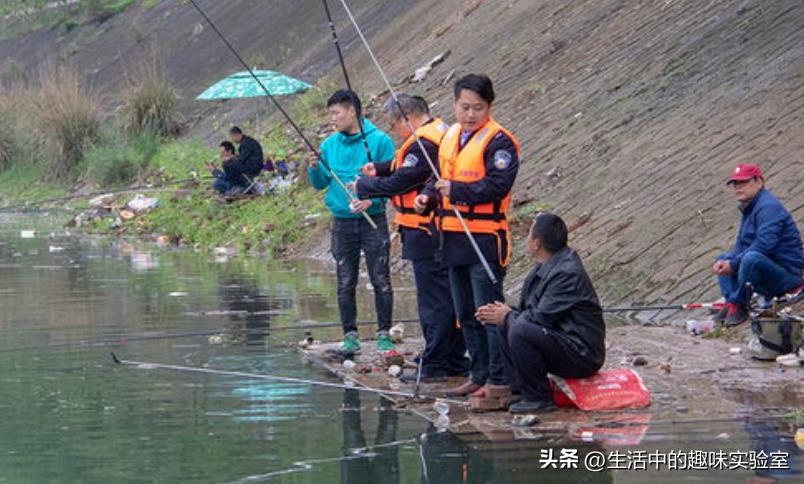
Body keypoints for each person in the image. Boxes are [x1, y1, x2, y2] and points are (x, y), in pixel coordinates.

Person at [414, 74, 520, 397]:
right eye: (464, 107)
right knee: (465, 313)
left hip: (484, 239)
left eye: (478, 108)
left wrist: (456, 191)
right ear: (454, 105)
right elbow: (439, 179)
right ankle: (478, 372)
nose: (470, 114)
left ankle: (499, 380)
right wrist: (427, 197)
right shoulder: (451, 136)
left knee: (488, 310)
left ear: (489, 106)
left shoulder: (500, 142)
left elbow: (498, 185)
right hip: (452, 238)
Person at [354, 94, 468, 381]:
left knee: (434, 298)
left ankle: (439, 361)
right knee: (443, 294)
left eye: (394, 125)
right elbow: (408, 168)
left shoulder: (424, 141)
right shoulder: (438, 131)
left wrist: (365, 185)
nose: (394, 131)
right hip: (431, 228)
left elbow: (405, 179)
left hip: (425, 229)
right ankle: (446, 354)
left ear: (408, 118)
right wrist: (379, 168)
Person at [476, 213, 606, 414]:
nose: (526, 239)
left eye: (529, 234)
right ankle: (519, 390)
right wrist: (503, 313)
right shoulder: (544, 268)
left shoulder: (566, 272)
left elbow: (540, 319)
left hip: (581, 353)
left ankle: (539, 397)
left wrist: (508, 315)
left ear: (537, 243)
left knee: (519, 329)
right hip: (560, 340)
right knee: (507, 321)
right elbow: (531, 311)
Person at [307, 89, 397, 354]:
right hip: (342, 221)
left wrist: (372, 200)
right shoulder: (329, 145)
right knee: (345, 280)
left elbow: (392, 181)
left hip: (374, 220)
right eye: (330, 114)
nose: (332, 119)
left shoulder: (380, 141)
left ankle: (384, 334)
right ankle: (350, 335)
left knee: (380, 278)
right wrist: (314, 167)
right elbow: (320, 183)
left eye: (336, 113)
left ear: (353, 112)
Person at [713, 164, 804, 326]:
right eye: (735, 184)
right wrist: (728, 263)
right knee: (723, 258)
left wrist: (733, 265)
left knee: (751, 258)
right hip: (766, 272)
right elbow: (742, 244)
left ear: (759, 182)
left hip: (787, 278)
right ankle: (731, 303)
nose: (738, 188)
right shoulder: (750, 207)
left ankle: (740, 305)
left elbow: (765, 245)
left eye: (743, 183)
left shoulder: (768, 207)